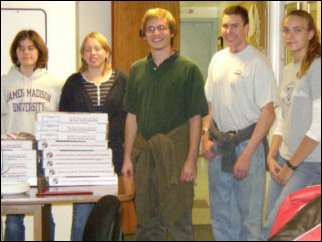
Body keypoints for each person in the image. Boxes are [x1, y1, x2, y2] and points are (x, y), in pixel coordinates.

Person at [121, 8, 208, 241]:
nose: (156, 33)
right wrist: (128, 157)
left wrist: (191, 159)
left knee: (179, 221)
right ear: (144, 34)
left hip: (176, 156)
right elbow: (132, 116)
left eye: (161, 28)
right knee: (147, 221)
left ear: (171, 33)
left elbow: (195, 118)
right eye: (151, 29)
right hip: (145, 156)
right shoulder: (137, 69)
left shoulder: (188, 70)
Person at [202, 5, 277, 241]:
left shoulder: (258, 63)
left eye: (235, 26)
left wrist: (247, 154)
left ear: (246, 28)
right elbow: (210, 106)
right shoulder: (217, 60)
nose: (229, 31)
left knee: (248, 217)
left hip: (248, 145)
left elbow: (268, 114)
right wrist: (205, 137)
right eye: (225, 25)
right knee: (221, 213)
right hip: (219, 144)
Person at [59, 32, 128, 241]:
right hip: (81, 161)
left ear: (107, 52)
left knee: (111, 215)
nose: (93, 53)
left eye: (97, 48)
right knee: (81, 216)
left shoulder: (122, 80)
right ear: (83, 55)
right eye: (88, 49)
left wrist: (128, 157)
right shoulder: (73, 83)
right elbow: (63, 123)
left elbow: (132, 118)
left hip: (114, 158)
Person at [262, 10, 321, 240]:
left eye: (297, 30)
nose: (290, 35)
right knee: (272, 224)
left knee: (281, 227)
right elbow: (281, 121)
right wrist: (271, 156)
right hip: (284, 159)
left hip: (308, 163)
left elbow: (318, 128)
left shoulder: (317, 68)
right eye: (286, 30)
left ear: (310, 34)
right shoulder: (287, 71)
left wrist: (291, 167)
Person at [1, 29, 63, 241]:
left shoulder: (54, 83)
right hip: (12, 156)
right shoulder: (4, 83)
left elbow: (59, 122)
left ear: (39, 51)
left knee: (45, 213)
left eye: (31, 47)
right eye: (21, 48)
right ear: (15, 52)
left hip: (43, 156)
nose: (26, 52)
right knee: (13, 217)